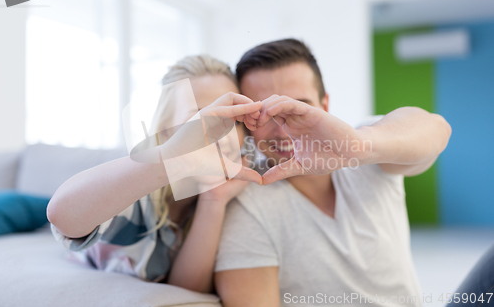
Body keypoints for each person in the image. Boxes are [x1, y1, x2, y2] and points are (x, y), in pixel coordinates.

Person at [213, 39, 452, 306]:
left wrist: (358, 147)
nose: (283, 130)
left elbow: (438, 129)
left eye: (295, 108)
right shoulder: (247, 205)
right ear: (246, 123)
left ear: (324, 106)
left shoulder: (364, 145)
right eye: (263, 115)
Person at [47, 55, 263, 293]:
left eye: (234, 120)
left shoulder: (236, 193)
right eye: (201, 119)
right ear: (165, 130)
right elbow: (61, 214)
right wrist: (172, 157)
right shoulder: (135, 192)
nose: (222, 135)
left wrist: (214, 201)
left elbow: (184, 292)